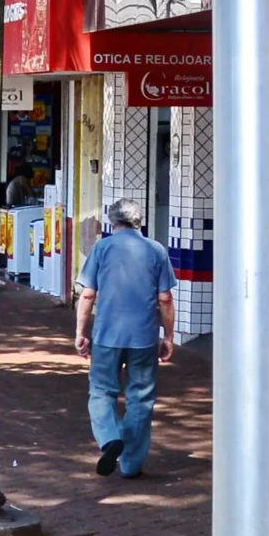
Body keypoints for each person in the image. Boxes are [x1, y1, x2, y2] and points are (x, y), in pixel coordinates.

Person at [73, 198, 176, 479]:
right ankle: (130, 464)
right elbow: (165, 298)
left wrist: (81, 332)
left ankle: (110, 437)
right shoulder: (156, 250)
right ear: (139, 221)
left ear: (112, 221)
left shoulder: (102, 248)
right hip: (144, 337)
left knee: (101, 391)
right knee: (140, 399)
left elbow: (88, 294)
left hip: (107, 334)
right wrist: (168, 336)